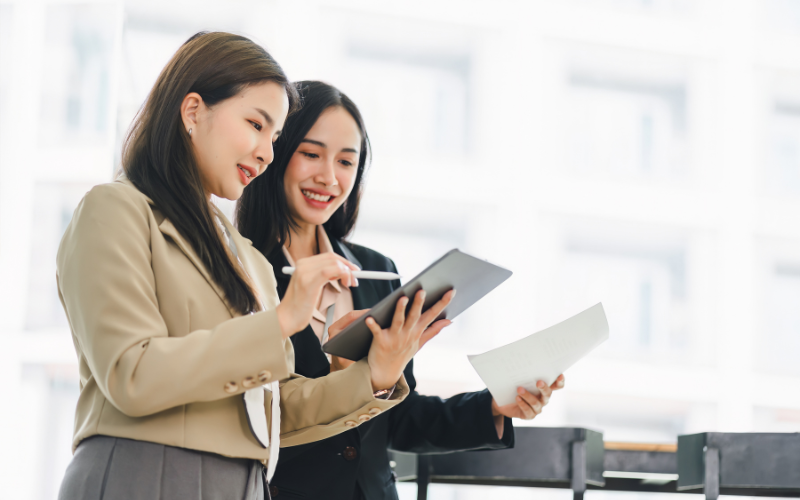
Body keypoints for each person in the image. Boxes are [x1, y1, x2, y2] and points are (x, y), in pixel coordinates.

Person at [56, 33, 453, 500]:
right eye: (256, 124)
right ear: (193, 111)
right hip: (146, 472)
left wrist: (375, 375)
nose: (267, 152)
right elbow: (131, 373)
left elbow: (274, 409)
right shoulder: (115, 210)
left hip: (243, 484)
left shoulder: (245, 257)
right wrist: (283, 319)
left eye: (275, 137)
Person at [236, 80, 565, 500]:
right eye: (311, 154)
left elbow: (400, 417)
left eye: (346, 161)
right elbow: (252, 419)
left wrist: (494, 407)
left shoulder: (376, 271)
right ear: (277, 151)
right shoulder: (241, 270)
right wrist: (344, 380)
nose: (329, 177)